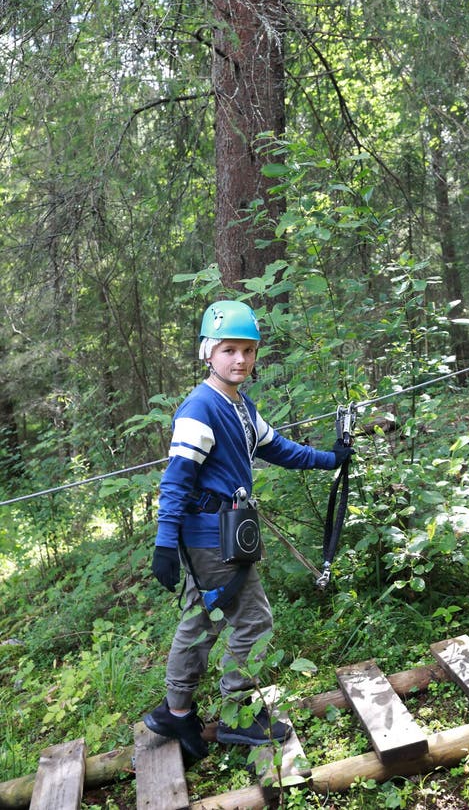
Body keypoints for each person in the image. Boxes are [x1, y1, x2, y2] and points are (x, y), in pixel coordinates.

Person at [143, 300, 352, 761]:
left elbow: (279, 449)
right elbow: (176, 480)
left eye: (248, 350)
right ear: (208, 353)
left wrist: (330, 458)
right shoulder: (200, 408)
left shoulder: (239, 405)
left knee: (200, 618)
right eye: (229, 350)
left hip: (225, 533)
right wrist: (164, 543)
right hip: (213, 537)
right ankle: (237, 716)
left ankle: (175, 711)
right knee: (255, 622)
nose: (240, 359)